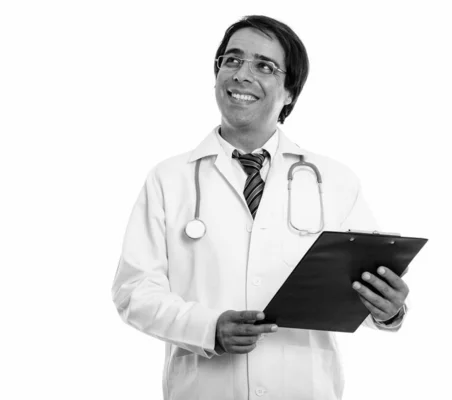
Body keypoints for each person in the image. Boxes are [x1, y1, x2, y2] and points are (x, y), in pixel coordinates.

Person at [111, 15, 408, 400]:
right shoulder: (169, 179)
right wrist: (208, 327)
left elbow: (358, 286)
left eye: (264, 66)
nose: (241, 75)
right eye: (231, 60)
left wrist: (388, 310)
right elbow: (133, 290)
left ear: (289, 92)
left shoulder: (334, 180)